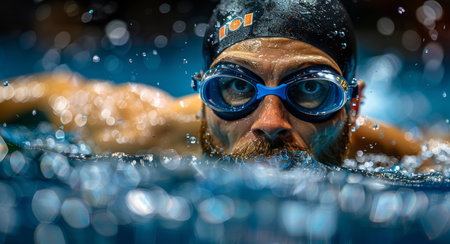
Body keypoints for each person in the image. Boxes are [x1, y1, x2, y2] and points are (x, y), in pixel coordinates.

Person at [0, 0, 421, 167]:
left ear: (354, 105)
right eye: (236, 87)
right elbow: (51, 90)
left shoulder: (387, 151)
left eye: (310, 89)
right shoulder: (138, 130)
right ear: (203, 98)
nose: (271, 122)